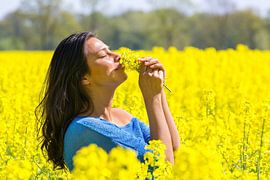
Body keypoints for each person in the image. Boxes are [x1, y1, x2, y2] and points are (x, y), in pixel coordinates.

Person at [35, 32, 180, 171]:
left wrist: (158, 90)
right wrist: (152, 98)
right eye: (104, 55)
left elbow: (173, 150)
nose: (117, 56)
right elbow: (163, 166)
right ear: (83, 78)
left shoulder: (122, 116)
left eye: (110, 50)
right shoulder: (86, 128)